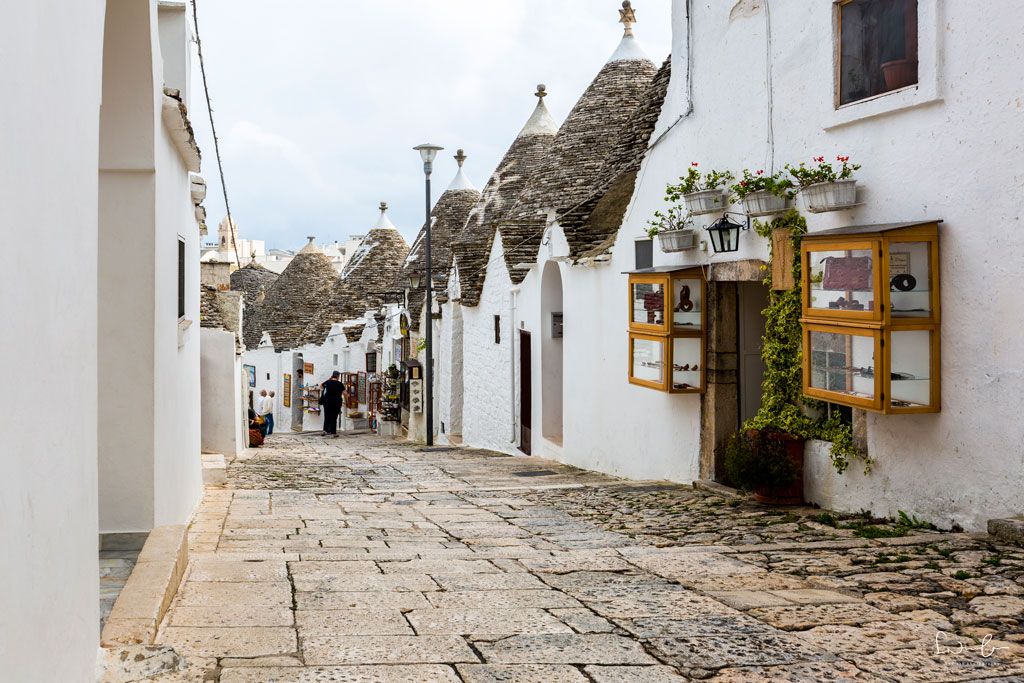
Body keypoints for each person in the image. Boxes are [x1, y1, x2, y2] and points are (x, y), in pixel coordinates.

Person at [320, 371, 344, 437]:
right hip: (336, 402)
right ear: (338, 376)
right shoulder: (340, 384)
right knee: (334, 417)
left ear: (332, 375)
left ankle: (325, 430)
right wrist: (347, 401)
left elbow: (321, 386)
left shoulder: (328, 382)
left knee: (327, 416)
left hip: (327, 402)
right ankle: (333, 433)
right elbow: (345, 393)